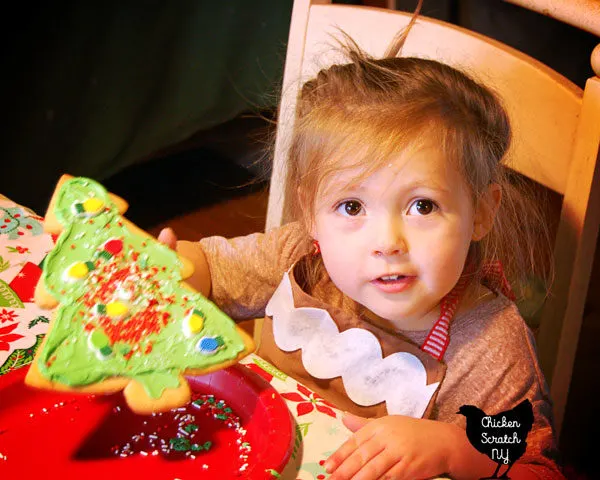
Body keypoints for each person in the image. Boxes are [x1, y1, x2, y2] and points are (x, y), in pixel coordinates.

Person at [158, 8, 563, 480]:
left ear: (482, 212)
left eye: (423, 206)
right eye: (352, 208)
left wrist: (454, 447)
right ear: (311, 211)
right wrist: (168, 266)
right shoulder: (301, 258)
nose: (387, 242)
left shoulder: (492, 344)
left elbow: (528, 459)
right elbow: (209, 271)